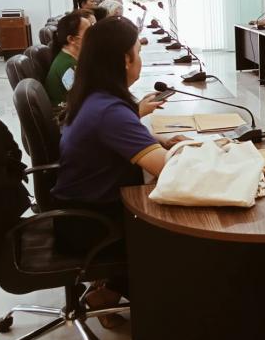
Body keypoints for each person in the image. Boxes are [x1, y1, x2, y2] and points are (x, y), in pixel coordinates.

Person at [52, 16, 188, 323]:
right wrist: (201, 152)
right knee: (181, 222)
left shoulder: (94, 96)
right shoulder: (109, 110)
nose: (140, 59)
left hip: (79, 211)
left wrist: (157, 141)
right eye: (138, 52)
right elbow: (168, 170)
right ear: (125, 60)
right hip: (92, 225)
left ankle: (108, 292)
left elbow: (113, 139)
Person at [44, 11, 91, 107]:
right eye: (88, 32)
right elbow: (82, 99)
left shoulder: (72, 58)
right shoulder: (67, 66)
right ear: (72, 39)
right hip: (67, 113)